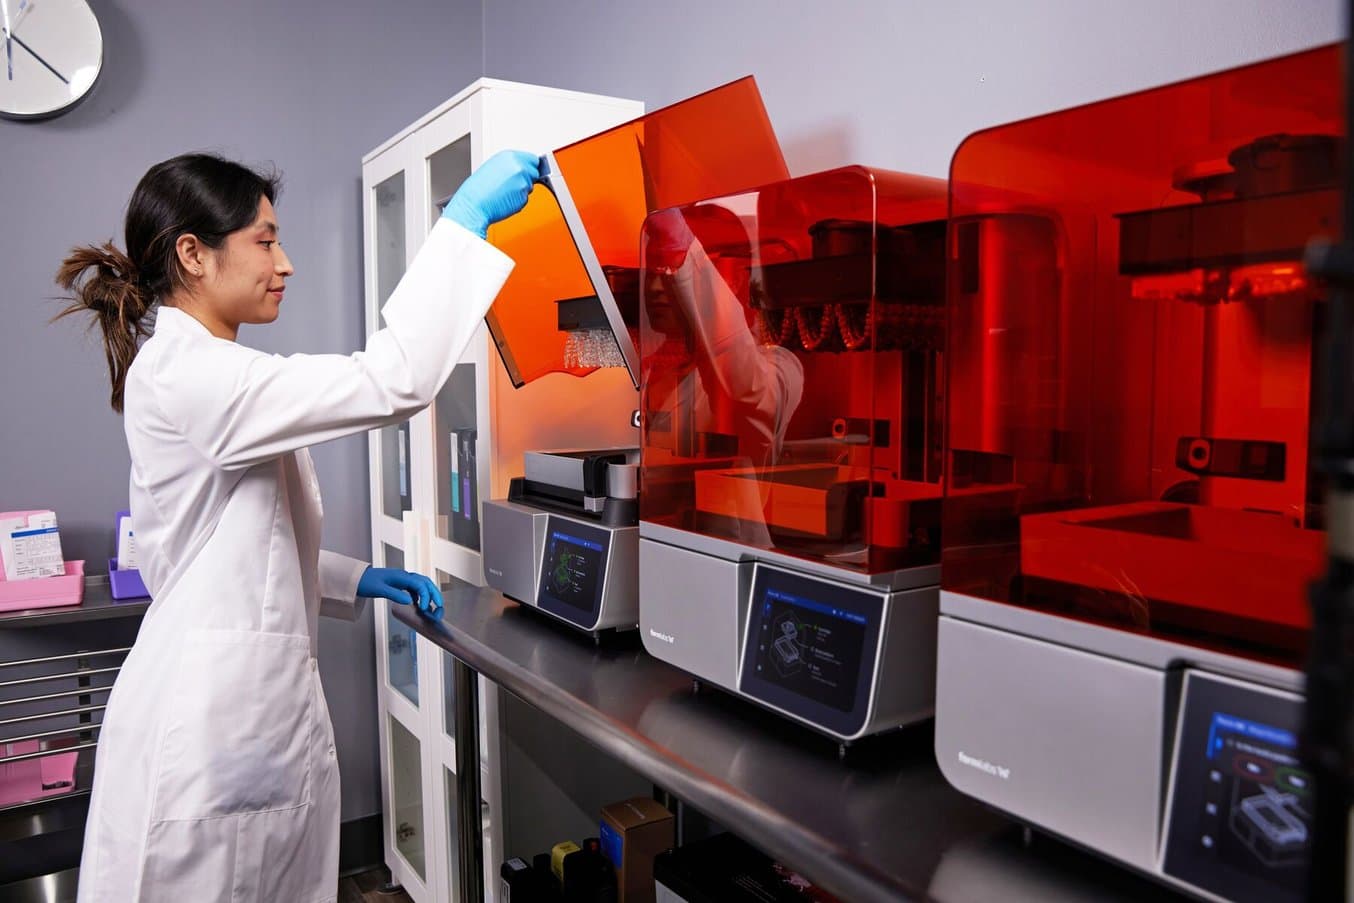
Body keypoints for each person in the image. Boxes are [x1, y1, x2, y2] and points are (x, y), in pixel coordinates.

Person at [54, 148, 541, 902]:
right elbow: (394, 378)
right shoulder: (190, 373)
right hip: (209, 731)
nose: (285, 262)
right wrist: (464, 223)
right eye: (264, 239)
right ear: (194, 253)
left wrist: (354, 578)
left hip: (244, 715)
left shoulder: (216, 370)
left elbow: (251, 543)